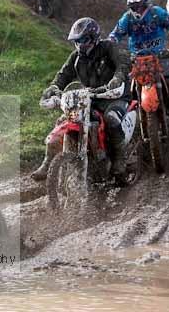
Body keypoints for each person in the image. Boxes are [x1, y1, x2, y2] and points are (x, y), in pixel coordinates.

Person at [33, 17, 130, 186]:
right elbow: (63, 75)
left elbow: (123, 63)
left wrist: (117, 78)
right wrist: (54, 87)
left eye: (83, 40)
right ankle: (48, 163)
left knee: (111, 119)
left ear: (94, 38)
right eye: (77, 41)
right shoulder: (76, 57)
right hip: (90, 98)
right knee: (63, 121)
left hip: (114, 96)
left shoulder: (109, 47)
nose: (80, 45)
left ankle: (119, 161)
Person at [110, 0, 169, 120]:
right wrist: (110, 48)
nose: (138, 10)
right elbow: (115, 35)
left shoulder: (157, 13)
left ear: (148, 3)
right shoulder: (127, 18)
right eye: (134, 7)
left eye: (141, 6)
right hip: (137, 58)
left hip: (159, 55)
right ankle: (131, 115)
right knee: (126, 88)